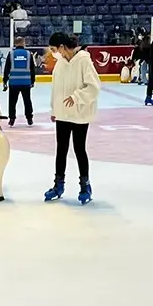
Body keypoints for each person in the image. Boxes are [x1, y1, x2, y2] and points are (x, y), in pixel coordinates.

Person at [43, 32, 101, 205]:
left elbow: (94, 87)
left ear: (61, 47)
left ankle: (85, 186)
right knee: (61, 149)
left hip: (80, 114)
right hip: (62, 114)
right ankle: (58, 184)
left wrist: (76, 97)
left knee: (79, 149)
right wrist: (54, 108)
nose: (52, 53)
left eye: (54, 49)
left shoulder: (83, 60)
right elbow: (56, 87)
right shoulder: (60, 63)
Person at [3, 36, 35, 126]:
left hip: (14, 82)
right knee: (27, 100)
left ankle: (12, 119)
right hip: (26, 82)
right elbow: (32, 69)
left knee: (12, 101)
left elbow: (7, 69)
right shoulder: (29, 54)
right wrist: (32, 81)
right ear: (23, 43)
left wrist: (5, 81)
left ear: (15, 43)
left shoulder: (11, 54)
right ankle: (29, 118)